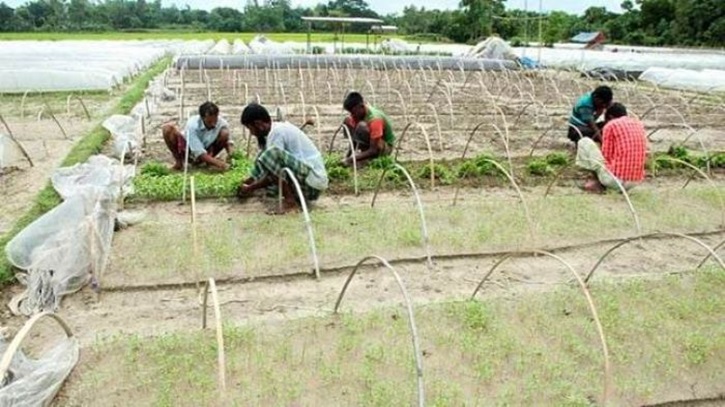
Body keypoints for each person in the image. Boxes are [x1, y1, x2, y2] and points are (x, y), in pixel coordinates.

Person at [237, 104, 328, 213]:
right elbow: (264, 167)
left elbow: (273, 172)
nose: (251, 133)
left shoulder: (277, 132)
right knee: (263, 158)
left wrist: (251, 187)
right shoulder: (275, 131)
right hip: (308, 180)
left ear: (258, 124)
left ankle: (290, 202)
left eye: (250, 128)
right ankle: (292, 197)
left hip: (312, 181)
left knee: (271, 154)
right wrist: (249, 181)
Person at [576, 103, 647, 193]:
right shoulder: (638, 124)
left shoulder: (611, 125)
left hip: (615, 180)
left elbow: (606, 155)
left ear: (610, 117)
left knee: (584, 142)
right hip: (635, 180)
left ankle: (596, 182)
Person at [162, 102, 233, 171]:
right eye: (209, 122)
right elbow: (199, 153)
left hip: (208, 148)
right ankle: (179, 162)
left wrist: (232, 156)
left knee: (225, 133)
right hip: (188, 149)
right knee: (167, 129)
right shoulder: (192, 125)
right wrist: (221, 164)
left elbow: (229, 143)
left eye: (215, 121)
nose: (213, 125)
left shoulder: (222, 123)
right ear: (202, 118)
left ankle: (209, 161)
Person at [342, 92, 395, 166]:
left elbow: (374, 149)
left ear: (361, 106)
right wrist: (348, 156)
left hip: (383, 147)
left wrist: (352, 159)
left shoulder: (375, 119)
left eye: (353, 112)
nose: (352, 115)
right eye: (351, 113)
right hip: (371, 143)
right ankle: (364, 156)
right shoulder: (358, 115)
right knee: (348, 121)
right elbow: (353, 138)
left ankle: (372, 158)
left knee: (361, 127)